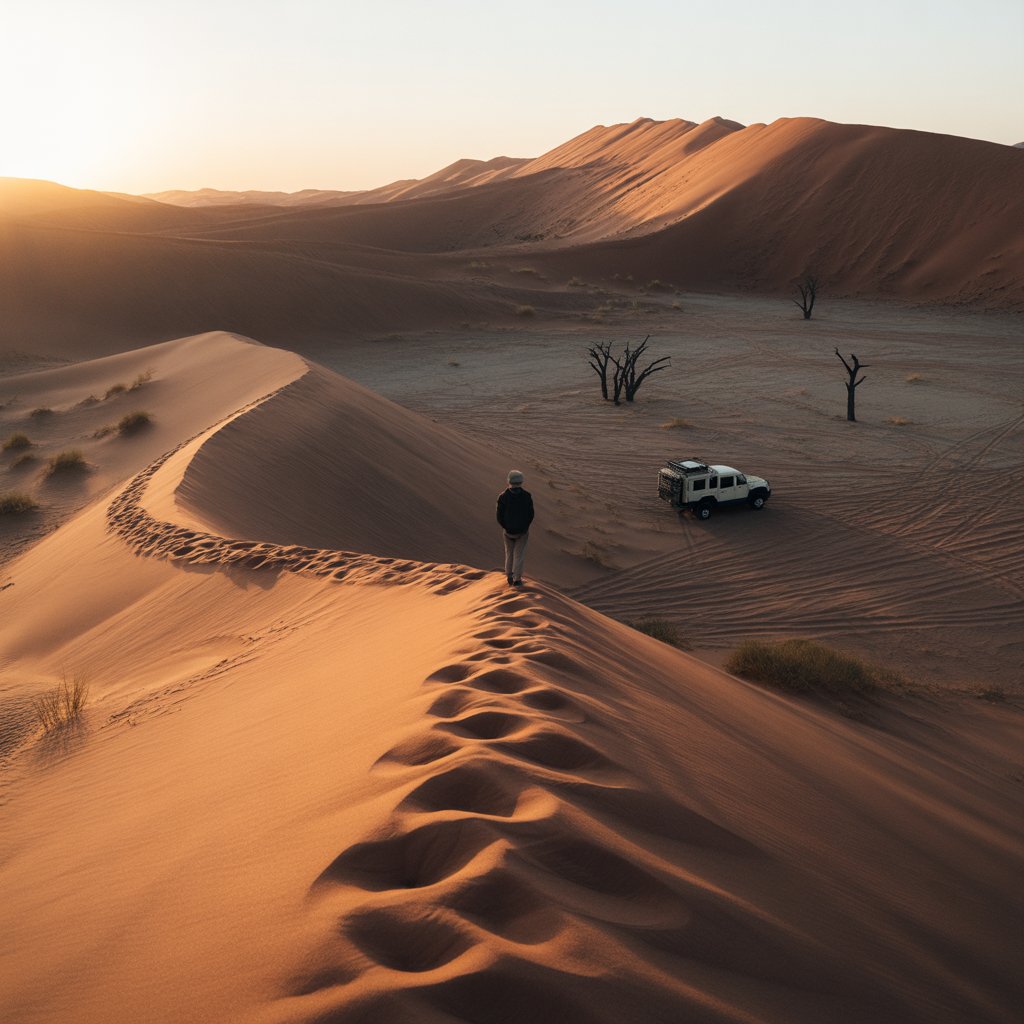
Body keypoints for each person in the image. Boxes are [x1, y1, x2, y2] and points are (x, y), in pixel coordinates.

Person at [496, 469, 534, 586]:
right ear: (521, 481)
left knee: (509, 553)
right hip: (522, 532)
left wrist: (506, 527)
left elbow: (499, 516)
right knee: (519, 555)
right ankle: (517, 579)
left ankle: (509, 576)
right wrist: (525, 527)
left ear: (509, 481)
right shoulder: (527, 496)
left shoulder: (502, 496)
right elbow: (530, 514)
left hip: (508, 532)